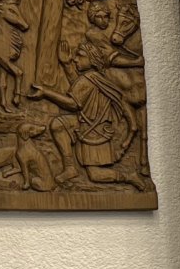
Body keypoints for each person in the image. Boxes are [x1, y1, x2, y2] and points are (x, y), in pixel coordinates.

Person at [28, 43, 141, 186]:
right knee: (58, 125)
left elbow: (73, 103)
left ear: (92, 60)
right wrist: (67, 65)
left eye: (80, 56)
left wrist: (46, 92)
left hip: (93, 131)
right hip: (89, 123)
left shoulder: (89, 79)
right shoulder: (94, 77)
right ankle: (70, 168)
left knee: (95, 175)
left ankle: (129, 177)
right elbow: (79, 89)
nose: (76, 59)